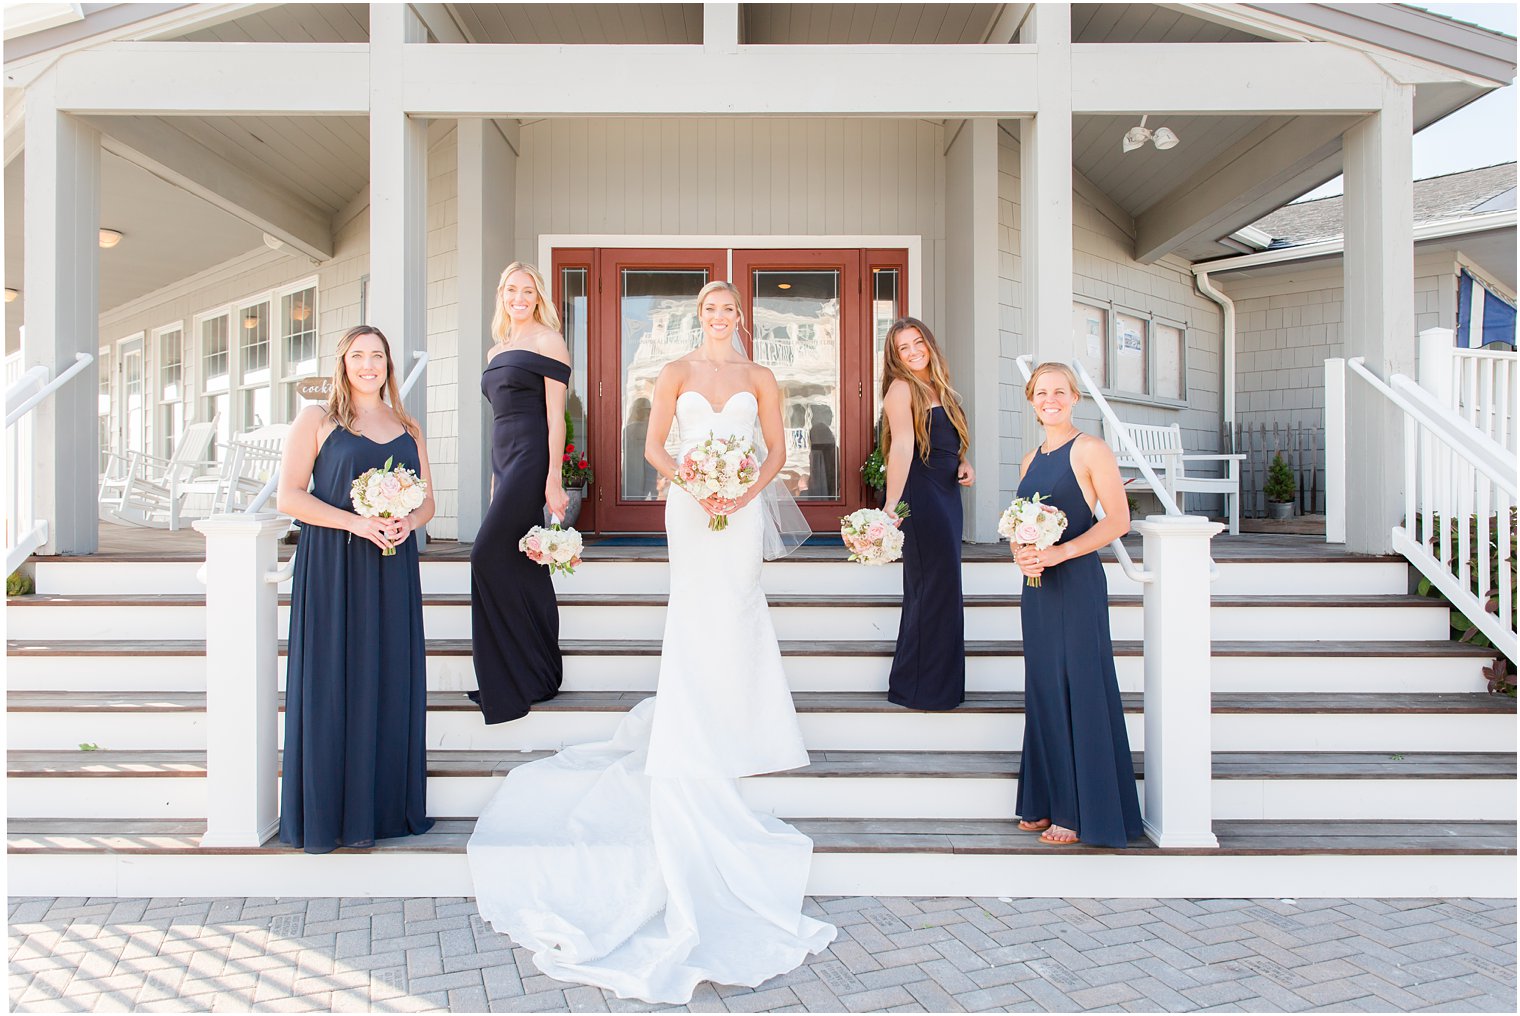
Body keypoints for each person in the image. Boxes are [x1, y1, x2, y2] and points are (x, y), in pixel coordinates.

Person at [467, 279, 832, 1005]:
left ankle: (744, 717)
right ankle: (694, 716)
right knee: (698, 609)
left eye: (730, 310)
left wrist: (745, 490)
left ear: (740, 319)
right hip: (691, 508)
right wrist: (696, 482)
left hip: (742, 508)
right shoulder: (674, 372)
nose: (721, 318)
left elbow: (775, 450)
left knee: (740, 606)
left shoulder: (761, 375)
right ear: (701, 318)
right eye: (711, 310)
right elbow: (655, 446)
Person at [276, 325, 435, 854]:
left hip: (392, 567)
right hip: (334, 568)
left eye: (377, 356)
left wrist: (406, 523)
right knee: (332, 680)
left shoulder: (408, 427)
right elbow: (289, 498)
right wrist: (355, 523)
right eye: (358, 356)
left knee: (388, 677)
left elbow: (428, 503)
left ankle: (386, 810)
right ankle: (330, 816)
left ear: (389, 364)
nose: (368, 365)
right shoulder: (318, 420)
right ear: (343, 363)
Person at [1013, 362, 1143, 847]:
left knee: (1078, 686)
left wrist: (1060, 551)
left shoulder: (1090, 449)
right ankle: (1044, 800)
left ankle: (1077, 809)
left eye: (1060, 391)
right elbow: (1018, 526)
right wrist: (1022, 556)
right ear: (1031, 400)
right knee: (1045, 686)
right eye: (1042, 392)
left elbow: (1118, 521)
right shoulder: (1029, 461)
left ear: (1074, 398)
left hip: (1077, 582)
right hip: (1038, 588)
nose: (1051, 399)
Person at [469, 262, 573, 724]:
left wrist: (553, 478)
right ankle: (530, 674)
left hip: (532, 456)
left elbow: (556, 417)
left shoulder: (549, 340)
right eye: (511, 289)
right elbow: (498, 421)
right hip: (504, 458)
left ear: (538, 296)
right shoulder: (496, 350)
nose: (519, 297)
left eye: (527, 291)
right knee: (520, 561)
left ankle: (520, 671)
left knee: (485, 556)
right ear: (501, 294)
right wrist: (495, 483)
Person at [880, 317, 974, 711]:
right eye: (905, 347)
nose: (914, 351)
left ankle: (940, 686)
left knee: (944, 588)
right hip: (922, 496)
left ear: (929, 344)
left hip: (948, 495)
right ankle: (918, 688)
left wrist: (965, 462)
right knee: (931, 589)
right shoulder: (901, 388)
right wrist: (890, 507)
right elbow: (901, 447)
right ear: (896, 356)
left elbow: (946, 440)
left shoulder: (942, 387)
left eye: (918, 342)